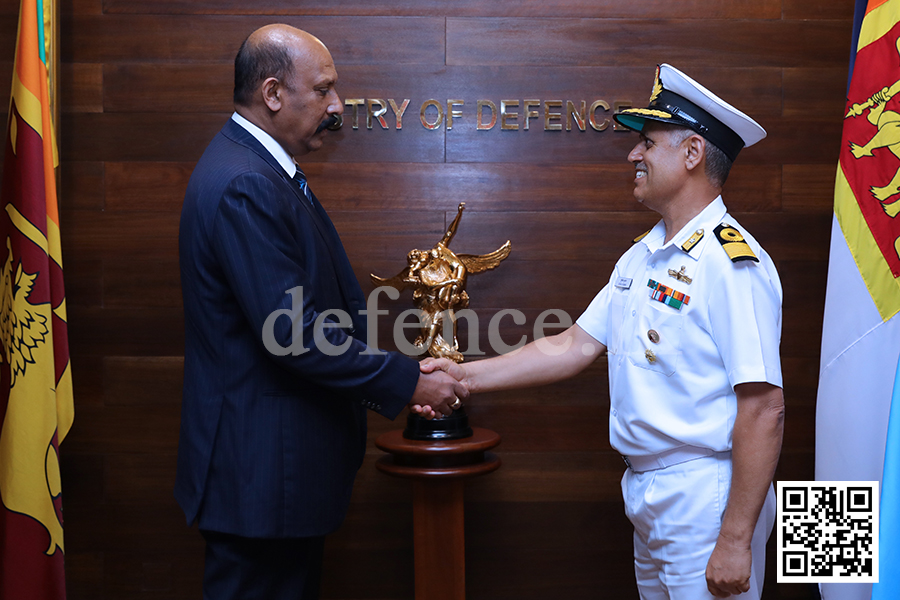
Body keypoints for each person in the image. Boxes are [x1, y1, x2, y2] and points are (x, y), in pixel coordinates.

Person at [421, 64, 784, 599]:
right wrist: (463, 377)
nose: (633, 156)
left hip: (705, 495)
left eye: (647, 143)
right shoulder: (643, 255)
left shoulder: (731, 263)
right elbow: (573, 345)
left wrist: (735, 538)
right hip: (646, 490)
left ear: (692, 154)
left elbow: (764, 407)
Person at [175, 24, 466, 600]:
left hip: (271, 478)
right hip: (260, 476)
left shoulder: (255, 169)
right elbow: (296, 336)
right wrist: (410, 381)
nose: (337, 105)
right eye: (325, 89)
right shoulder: (245, 184)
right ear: (274, 92)